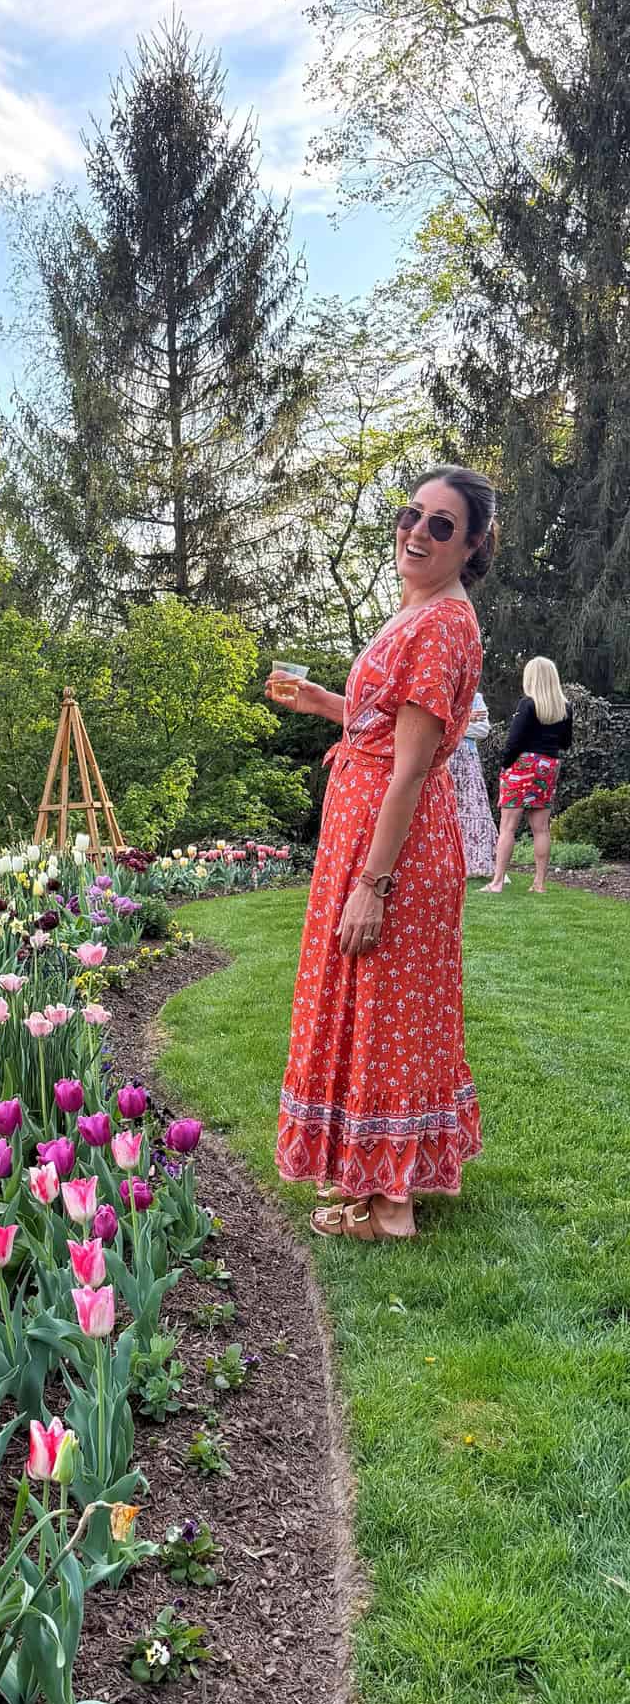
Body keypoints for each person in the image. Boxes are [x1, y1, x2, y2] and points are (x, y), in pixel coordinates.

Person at [265, 465, 491, 1243]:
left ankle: (390, 1206)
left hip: (393, 842)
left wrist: (373, 885)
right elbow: (390, 725)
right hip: (369, 825)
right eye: (412, 514)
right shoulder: (421, 609)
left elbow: (413, 767)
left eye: (440, 525)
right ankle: (374, 1182)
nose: (417, 532)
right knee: (372, 1007)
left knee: (385, 1010)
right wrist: (327, 704)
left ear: (471, 544)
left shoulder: (442, 627)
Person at [483, 657, 573, 894]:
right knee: (541, 828)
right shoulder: (565, 708)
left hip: (523, 764)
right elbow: (565, 742)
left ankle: (498, 882)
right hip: (549, 765)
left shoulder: (528, 704)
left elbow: (515, 740)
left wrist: (505, 765)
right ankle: (540, 884)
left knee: (508, 827)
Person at [448, 689, 499, 878]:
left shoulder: (475, 697)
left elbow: (483, 730)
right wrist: (465, 719)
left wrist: (455, 722)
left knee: (472, 808)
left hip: (467, 761)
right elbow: (437, 725)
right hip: (443, 759)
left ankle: (475, 864)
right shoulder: (442, 694)